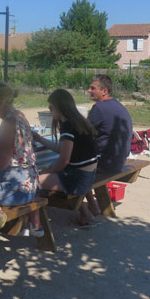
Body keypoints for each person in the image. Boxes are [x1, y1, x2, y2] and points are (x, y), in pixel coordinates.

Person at [0, 81, 42, 237]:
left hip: (16, 189)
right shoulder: (19, 116)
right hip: (29, 184)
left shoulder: (8, 124)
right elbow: (12, 149)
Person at [34, 89, 100, 226]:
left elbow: (64, 160)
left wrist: (47, 172)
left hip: (78, 179)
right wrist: (40, 139)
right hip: (88, 175)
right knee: (49, 171)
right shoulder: (79, 122)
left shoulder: (67, 126)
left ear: (59, 107)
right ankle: (87, 213)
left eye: (51, 108)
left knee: (32, 181)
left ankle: (36, 224)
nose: (50, 111)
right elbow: (62, 149)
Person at [87, 75, 133, 173]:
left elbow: (81, 132)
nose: (88, 90)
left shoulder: (99, 107)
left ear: (105, 91)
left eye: (92, 88)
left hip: (105, 163)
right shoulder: (117, 104)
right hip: (119, 161)